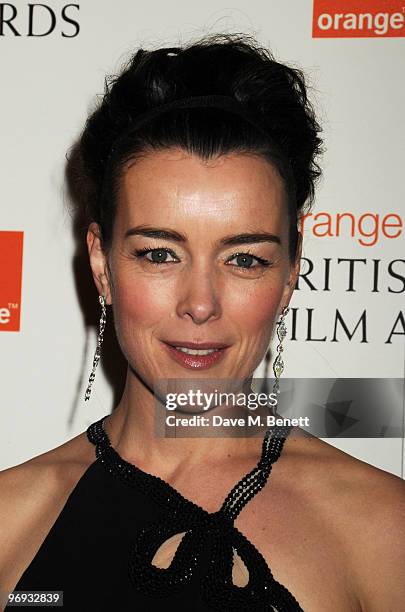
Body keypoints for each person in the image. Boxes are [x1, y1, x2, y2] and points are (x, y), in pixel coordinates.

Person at [0, 32, 404, 612]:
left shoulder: (385, 530)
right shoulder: (10, 522)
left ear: (290, 272)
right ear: (102, 264)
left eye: (244, 259)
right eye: (159, 254)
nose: (201, 303)